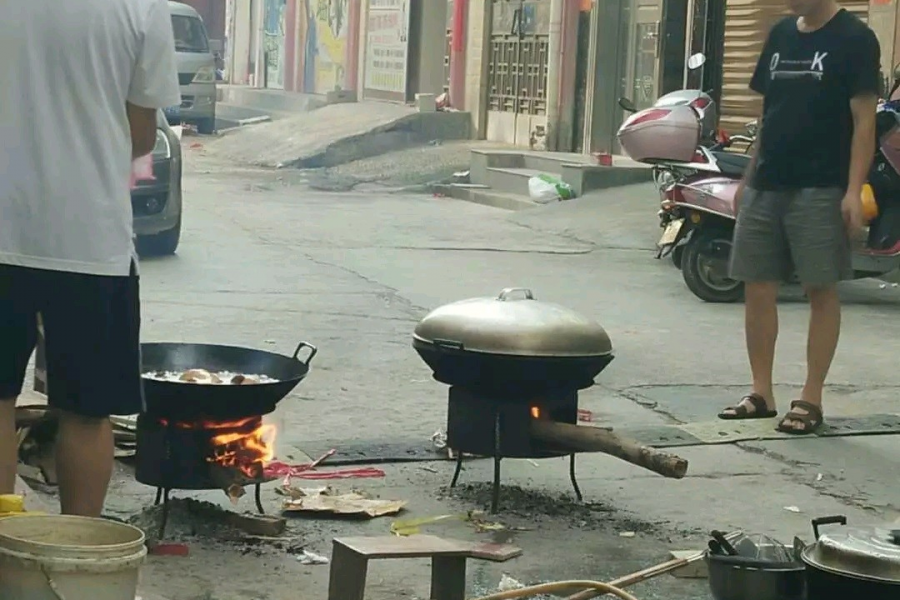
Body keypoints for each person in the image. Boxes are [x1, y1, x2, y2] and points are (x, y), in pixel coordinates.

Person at [0, 0, 180, 516]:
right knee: (86, 411)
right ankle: (79, 563)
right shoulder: (141, 7)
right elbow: (141, 135)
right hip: (88, 238)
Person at [717, 0, 880, 434]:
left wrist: (852, 189)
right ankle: (761, 392)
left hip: (823, 185)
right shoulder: (781, 34)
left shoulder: (855, 38)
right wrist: (748, 177)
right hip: (768, 181)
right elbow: (767, 114)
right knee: (757, 285)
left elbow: (865, 122)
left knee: (820, 288)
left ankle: (811, 397)